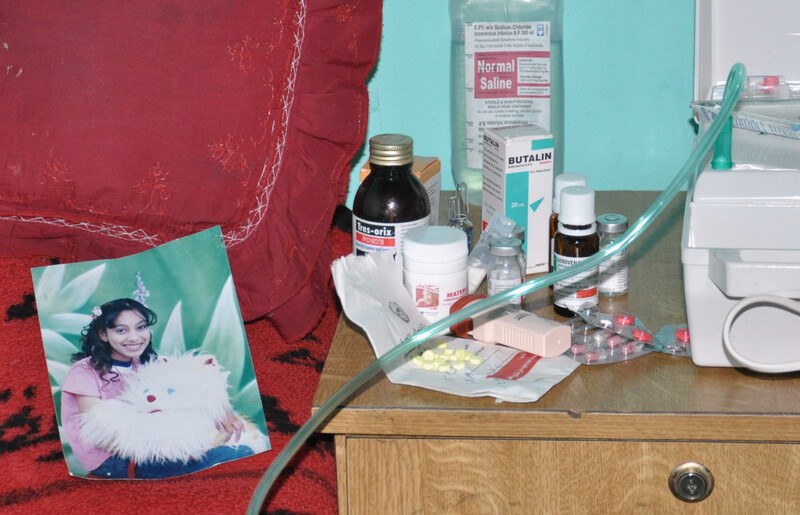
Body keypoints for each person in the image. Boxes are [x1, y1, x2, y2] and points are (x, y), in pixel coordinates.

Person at [60, 298, 252, 479]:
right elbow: (98, 430)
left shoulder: (144, 364)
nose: (134, 337)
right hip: (110, 457)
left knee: (236, 449)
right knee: (225, 457)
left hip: (153, 442)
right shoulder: (85, 371)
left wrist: (222, 412)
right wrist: (164, 449)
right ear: (103, 334)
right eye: (121, 330)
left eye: (141, 327)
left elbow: (192, 385)